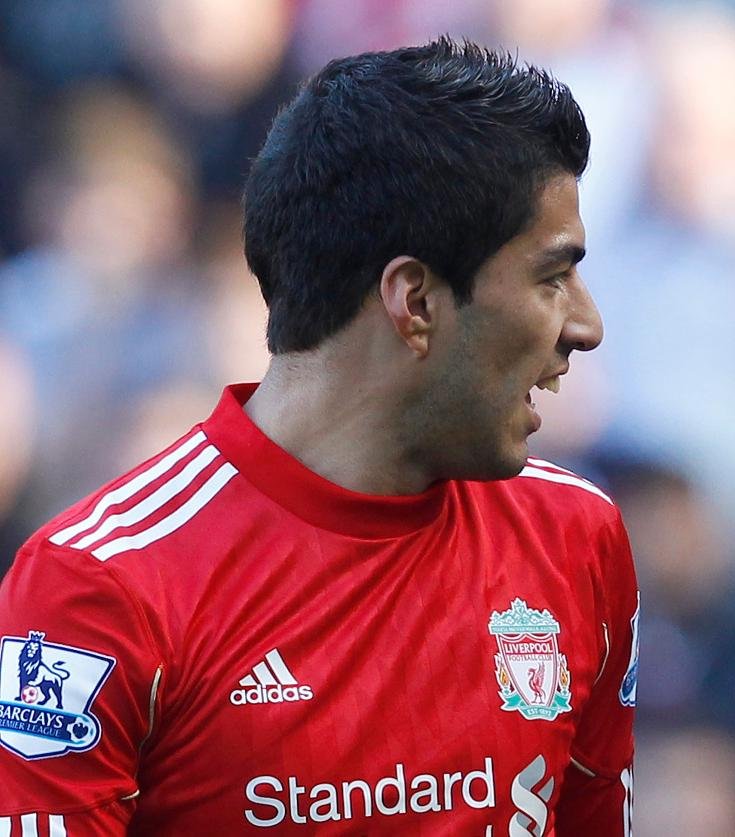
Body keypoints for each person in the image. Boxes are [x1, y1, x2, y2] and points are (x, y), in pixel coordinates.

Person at [0, 39, 637, 835]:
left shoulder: (575, 538)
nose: (587, 324)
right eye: (552, 276)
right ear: (415, 302)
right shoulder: (101, 585)